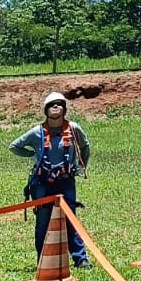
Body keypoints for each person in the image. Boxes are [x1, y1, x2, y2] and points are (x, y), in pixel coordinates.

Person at [9, 91, 92, 269]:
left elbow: (85, 146)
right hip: (42, 184)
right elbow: (14, 146)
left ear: (65, 109)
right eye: (51, 104)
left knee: (71, 219)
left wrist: (80, 165)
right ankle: (43, 259)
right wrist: (33, 155)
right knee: (43, 221)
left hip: (66, 181)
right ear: (46, 110)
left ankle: (81, 258)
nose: (56, 107)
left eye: (59, 104)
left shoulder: (73, 128)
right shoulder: (36, 132)